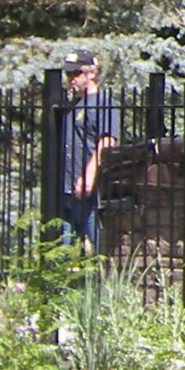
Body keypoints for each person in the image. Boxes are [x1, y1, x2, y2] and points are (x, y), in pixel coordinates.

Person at [57, 50, 118, 247]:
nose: (71, 79)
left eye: (76, 73)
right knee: (62, 249)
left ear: (91, 73)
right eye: (69, 74)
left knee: (100, 247)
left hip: (88, 191)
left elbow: (106, 142)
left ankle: (106, 278)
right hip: (66, 188)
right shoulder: (72, 106)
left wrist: (89, 177)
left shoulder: (103, 104)